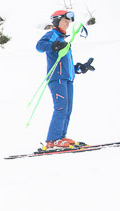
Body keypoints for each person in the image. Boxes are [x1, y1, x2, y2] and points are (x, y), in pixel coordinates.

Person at [36, 10, 94, 151]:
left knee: (67, 109)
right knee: (61, 107)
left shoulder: (63, 40)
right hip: (57, 79)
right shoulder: (53, 35)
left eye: (69, 22)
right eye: (65, 21)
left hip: (67, 78)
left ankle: (60, 137)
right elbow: (39, 46)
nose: (68, 24)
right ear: (56, 21)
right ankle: (52, 140)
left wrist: (79, 68)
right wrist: (54, 45)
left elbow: (65, 64)